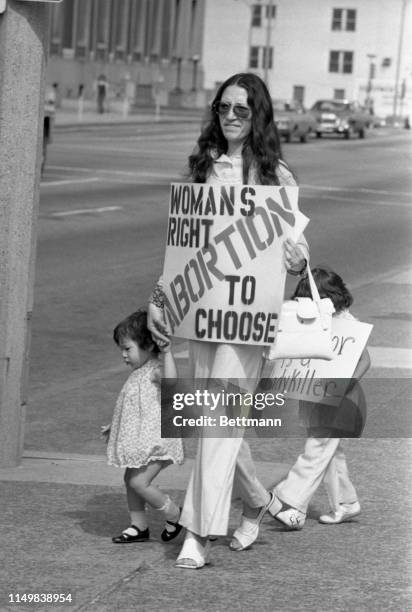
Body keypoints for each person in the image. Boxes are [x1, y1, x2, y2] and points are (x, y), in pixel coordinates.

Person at [148, 73, 309, 568]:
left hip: (247, 321)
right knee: (213, 419)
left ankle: (198, 531)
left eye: (242, 109)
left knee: (217, 420)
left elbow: (296, 246)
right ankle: (257, 499)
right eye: (223, 108)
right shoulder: (202, 170)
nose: (232, 117)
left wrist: (298, 259)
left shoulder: (275, 176)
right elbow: (184, 248)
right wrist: (160, 298)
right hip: (202, 312)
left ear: (258, 115)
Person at [267, 266, 371, 529]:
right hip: (315, 398)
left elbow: (365, 360)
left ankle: (287, 499)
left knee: (317, 450)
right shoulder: (314, 322)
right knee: (330, 454)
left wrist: (343, 384)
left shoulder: (348, 324)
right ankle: (346, 504)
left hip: (340, 401)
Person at [101, 309, 184, 543]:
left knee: (139, 482)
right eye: (122, 350)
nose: (123, 355)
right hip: (141, 442)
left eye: (127, 349)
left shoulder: (155, 370)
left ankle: (176, 515)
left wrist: (167, 352)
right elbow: (131, 408)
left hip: (157, 442)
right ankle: (138, 526)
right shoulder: (138, 374)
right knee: (130, 481)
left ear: (148, 346)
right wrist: (115, 426)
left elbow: (172, 382)